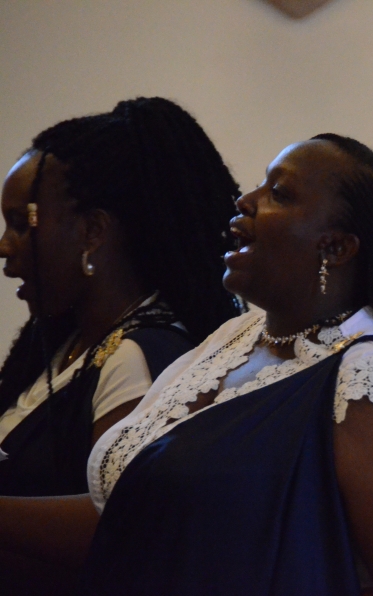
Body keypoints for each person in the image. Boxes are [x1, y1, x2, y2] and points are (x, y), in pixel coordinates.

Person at [75, 134, 373, 595]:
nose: (245, 201)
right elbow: (136, 521)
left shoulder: (367, 374)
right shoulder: (234, 338)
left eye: (278, 194)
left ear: (337, 248)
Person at [0, 97, 243, 592]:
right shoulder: (61, 344)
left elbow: (123, 522)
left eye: (22, 223)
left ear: (93, 231)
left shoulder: (141, 354)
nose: (6, 244)